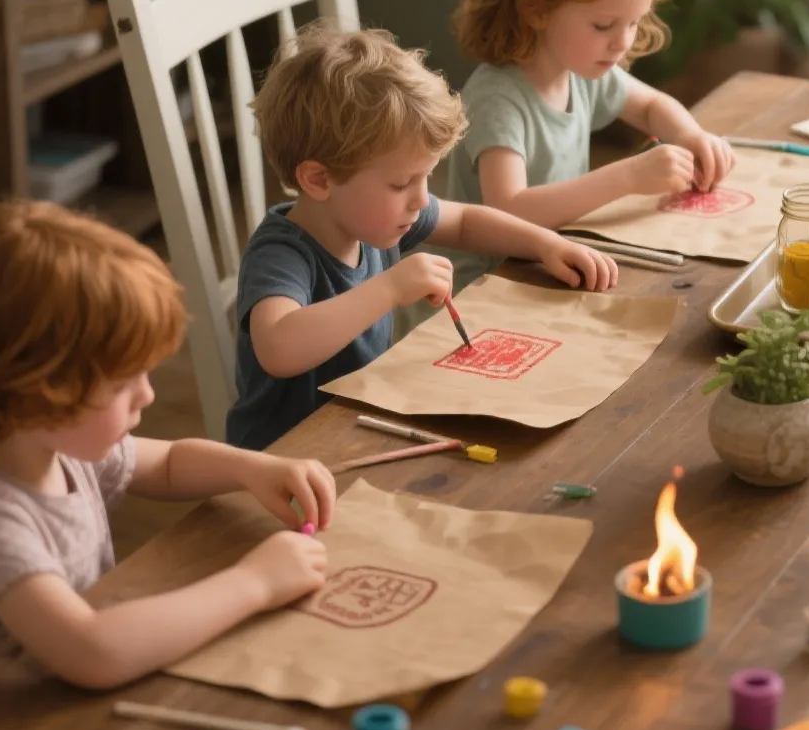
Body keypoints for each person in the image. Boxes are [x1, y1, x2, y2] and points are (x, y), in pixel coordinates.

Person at [0, 202, 335, 714]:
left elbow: (167, 464)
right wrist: (254, 583)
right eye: (124, 383)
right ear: (35, 392)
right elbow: (92, 650)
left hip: (58, 703)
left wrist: (252, 467)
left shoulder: (49, 445)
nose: (146, 396)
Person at [230, 24, 618, 451]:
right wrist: (391, 288)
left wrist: (547, 244)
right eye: (401, 184)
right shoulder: (282, 253)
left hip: (361, 422)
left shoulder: (374, 215)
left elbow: (467, 221)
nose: (420, 199)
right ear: (319, 179)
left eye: (426, 178)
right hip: (286, 457)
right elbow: (280, 347)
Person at [431, 0, 737, 291]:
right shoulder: (497, 98)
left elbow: (650, 107)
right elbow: (510, 208)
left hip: (555, 264)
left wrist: (690, 135)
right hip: (487, 287)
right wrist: (627, 176)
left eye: (634, 22)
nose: (624, 42)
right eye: (603, 25)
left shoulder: (580, 68)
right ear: (537, 11)